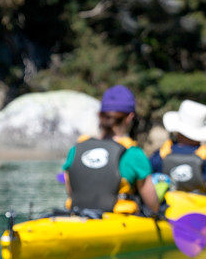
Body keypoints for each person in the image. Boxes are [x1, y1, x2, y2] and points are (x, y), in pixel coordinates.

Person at [63, 85, 160, 215]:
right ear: (130, 117)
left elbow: (70, 191)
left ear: (100, 115)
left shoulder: (76, 149)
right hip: (118, 220)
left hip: (78, 215)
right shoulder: (133, 153)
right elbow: (152, 204)